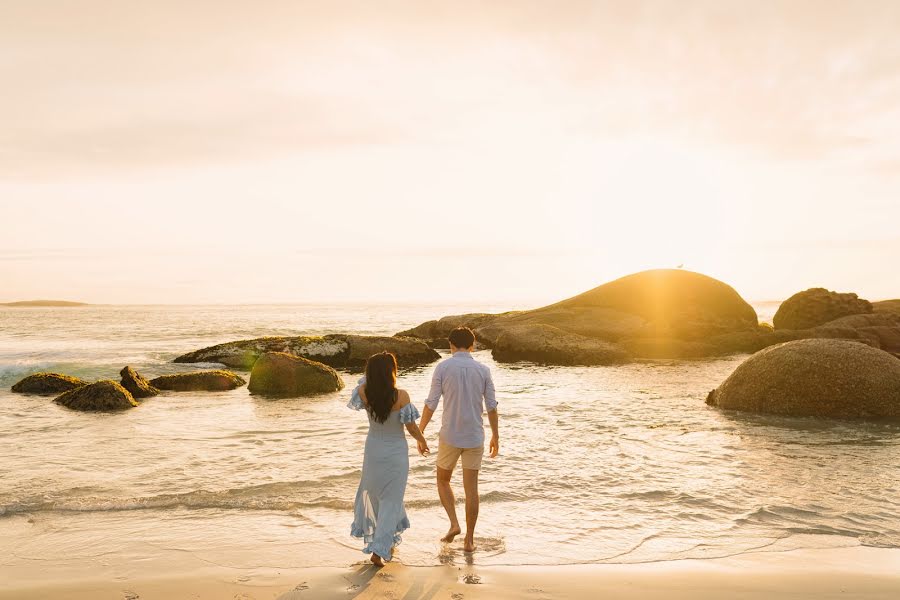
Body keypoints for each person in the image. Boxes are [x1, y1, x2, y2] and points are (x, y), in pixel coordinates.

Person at [418, 326, 499, 553]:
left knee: (443, 480)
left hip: (450, 435)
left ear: (451, 345)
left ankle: (454, 523)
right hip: (475, 436)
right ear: (472, 346)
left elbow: (431, 403)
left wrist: (420, 431)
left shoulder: (442, 368)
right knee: (471, 489)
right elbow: (491, 407)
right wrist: (496, 435)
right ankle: (469, 541)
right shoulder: (483, 370)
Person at [348, 351, 429, 566]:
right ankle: (379, 550)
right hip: (396, 453)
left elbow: (363, 382)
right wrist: (422, 440)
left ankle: (384, 542)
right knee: (392, 500)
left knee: (375, 498)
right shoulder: (401, 396)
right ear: (391, 372)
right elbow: (411, 427)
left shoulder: (363, 392)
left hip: (373, 450)